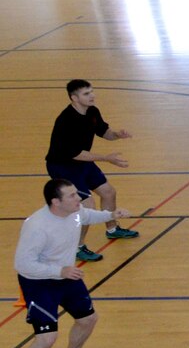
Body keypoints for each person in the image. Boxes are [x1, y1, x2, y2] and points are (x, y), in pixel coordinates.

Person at [13, 179, 128, 348]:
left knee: (88, 319)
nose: (79, 198)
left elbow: (87, 216)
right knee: (46, 338)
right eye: (72, 196)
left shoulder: (75, 212)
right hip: (39, 283)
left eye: (77, 193)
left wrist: (110, 214)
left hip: (66, 275)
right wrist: (60, 271)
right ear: (56, 202)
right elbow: (23, 265)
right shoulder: (37, 227)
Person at [45, 79, 138, 262]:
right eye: (86, 93)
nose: (92, 95)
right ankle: (77, 247)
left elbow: (104, 131)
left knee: (108, 192)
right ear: (74, 98)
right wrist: (106, 158)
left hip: (82, 162)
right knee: (87, 205)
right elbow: (75, 153)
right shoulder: (66, 120)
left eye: (92, 91)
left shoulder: (92, 111)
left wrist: (117, 135)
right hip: (63, 166)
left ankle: (112, 229)